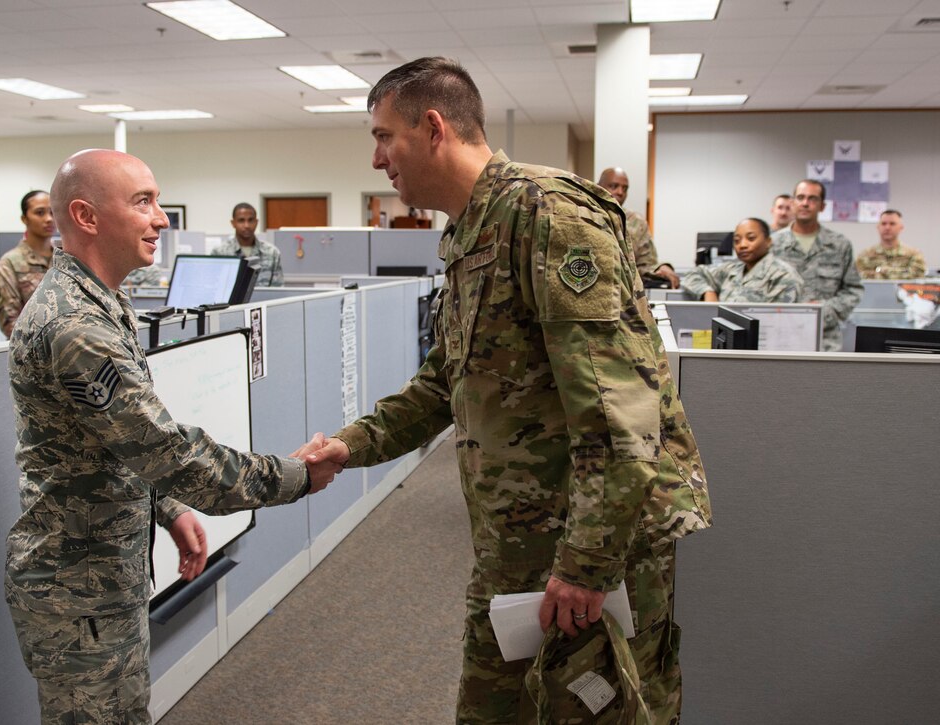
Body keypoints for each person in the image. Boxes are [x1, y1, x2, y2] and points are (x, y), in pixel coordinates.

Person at [296, 57, 711, 724]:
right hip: (517, 548)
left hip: (587, 551)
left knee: (603, 711)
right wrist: (350, 446)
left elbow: (620, 414)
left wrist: (587, 561)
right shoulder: (469, 231)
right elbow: (445, 380)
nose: (377, 160)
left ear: (432, 127)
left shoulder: (549, 215)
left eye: (383, 136)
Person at [4, 149, 331, 724]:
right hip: (76, 591)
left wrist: (169, 509)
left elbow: (116, 442)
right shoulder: (74, 326)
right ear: (86, 216)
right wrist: (296, 476)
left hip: (106, 573)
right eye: (143, 202)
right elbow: (169, 451)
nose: (162, 218)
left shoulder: (104, 301)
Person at [771, 180, 863, 351]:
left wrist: (826, 311)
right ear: (793, 203)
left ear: (822, 206)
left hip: (824, 338)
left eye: (812, 199)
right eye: (800, 198)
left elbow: (853, 289)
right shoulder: (773, 244)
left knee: (825, 379)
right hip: (780, 337)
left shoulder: (839, 244)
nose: (805, 203)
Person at [682, 217, 805, 303]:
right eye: (737, 240)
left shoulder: (783, 276)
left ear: (768, 242)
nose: (742, 245)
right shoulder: (732, 270)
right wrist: (707, 292)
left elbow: (777, 325)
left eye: (751, 238)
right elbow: (692, 274)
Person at [596, 167, 680, 289]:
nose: (620, 192)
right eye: (614, 186)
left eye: (625, 188)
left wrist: (661, 268)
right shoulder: (584, 215)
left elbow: (646, 264)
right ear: (599, 187)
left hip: (624, 293)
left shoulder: (636, 222)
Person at [0, 190, 55, 337]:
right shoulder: (8, 265)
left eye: (53, 212)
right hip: (34, 355)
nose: (49, 218)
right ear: (24, 219)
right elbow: (11, 325)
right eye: (40, 212)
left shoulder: (65, 259)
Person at [210, 202, 284, 286]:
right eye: (241, 220)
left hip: (265, 299)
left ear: (256, 222)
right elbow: (213, 286)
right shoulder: (219, 253)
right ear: (233, 223)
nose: (247, 225)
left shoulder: (272, 253)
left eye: (250, 220)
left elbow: (277, 289)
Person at [855, 209, 927, 280]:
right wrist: (900, 273)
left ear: (901, 228)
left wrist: (881, 272)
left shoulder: (914, 255)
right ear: (878, 227)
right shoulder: (865, 255)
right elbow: (858, 277)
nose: (887, 227)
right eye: (883, 224)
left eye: (892, 224)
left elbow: (917, 275)